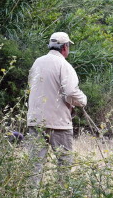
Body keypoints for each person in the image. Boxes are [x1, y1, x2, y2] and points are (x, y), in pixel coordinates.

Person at [26, 32, 87, 185]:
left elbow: (31, 86)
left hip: (35, 121)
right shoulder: (64, 65)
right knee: (64, 165)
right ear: (65, 47)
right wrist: (83, 101)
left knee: (35, 166)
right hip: (58, 123)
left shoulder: (37, 62)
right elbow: (71, 92)